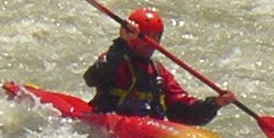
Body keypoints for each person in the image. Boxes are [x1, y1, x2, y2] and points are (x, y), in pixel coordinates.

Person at [82, 7, 235, 124]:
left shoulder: (158, 71)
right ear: (132, 37)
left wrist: (215, 103)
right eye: (147, 37)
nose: (152, 43)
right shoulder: (116, 59)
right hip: (112, 125)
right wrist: (122, 42)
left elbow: (182, 111)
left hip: (148, 130)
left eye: (157, 37)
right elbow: (92, 78)